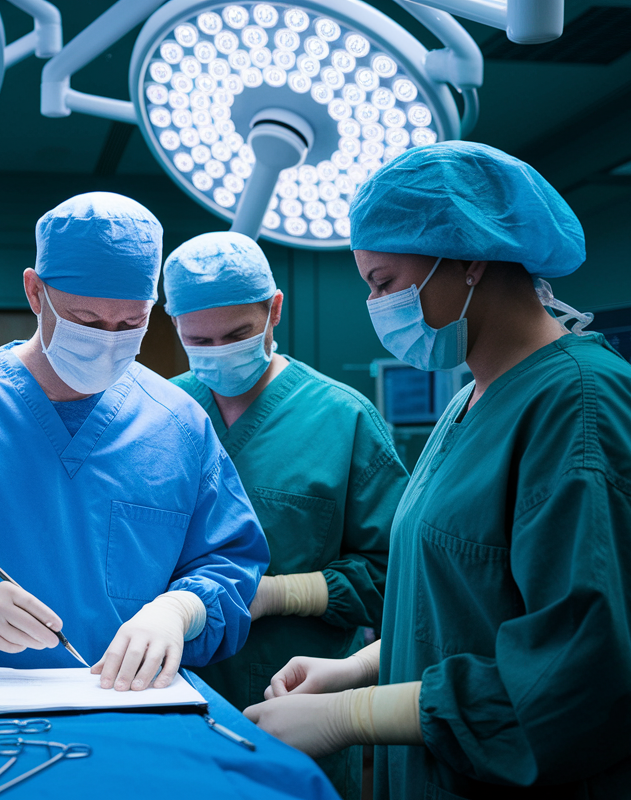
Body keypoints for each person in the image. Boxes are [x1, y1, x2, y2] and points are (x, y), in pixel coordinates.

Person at [248, 142, 631, 800]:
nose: (376, 305)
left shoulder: (582, 407)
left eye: (384, 282)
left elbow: (582, 678)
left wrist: (350, 718)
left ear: (471, 257)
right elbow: (458, 606)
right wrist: (359, 670)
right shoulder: (469, 400)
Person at [0, 192, 270, 691]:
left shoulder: (178, 423)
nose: (109, 340)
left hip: (134, 710)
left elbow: (229, 564)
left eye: (131, 323)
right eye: (86, 321)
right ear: (34, 292)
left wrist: (180, 610)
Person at [163, 231, 405, 799]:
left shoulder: (343, 421)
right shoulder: (158, 412)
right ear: (172, 323)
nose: (219, 352)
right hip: (169, 705)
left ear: (274, 310)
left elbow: (398, 579)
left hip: (295, 710)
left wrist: (281, 593)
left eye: (239, 334)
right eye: (199, 340)